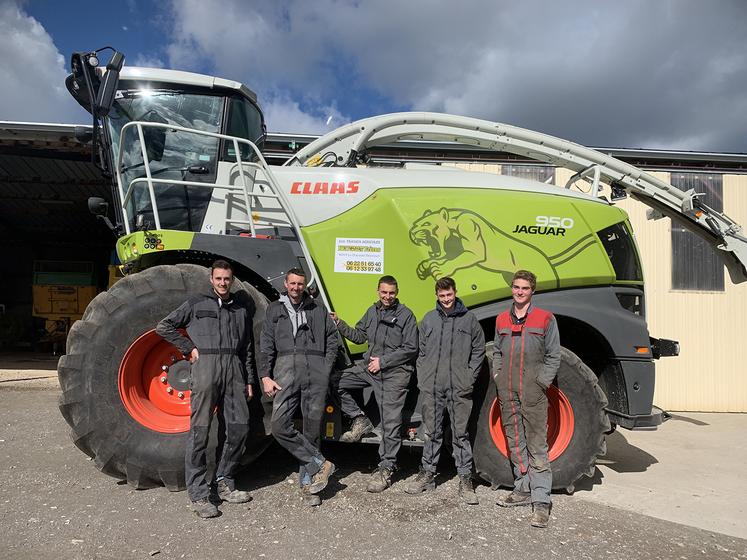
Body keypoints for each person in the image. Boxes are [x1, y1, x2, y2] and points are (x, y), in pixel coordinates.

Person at [156, 260, 255, 519]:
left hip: (234, 369)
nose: (223, 283)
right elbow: (164, 326)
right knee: (200, 431)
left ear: (232, 281)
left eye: (227, 279)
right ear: (211, 279)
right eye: (219, 278)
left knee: (240, 427)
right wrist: (189, 348)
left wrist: (249, 379)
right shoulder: (196, 304)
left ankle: (224, 480)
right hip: (206, 368)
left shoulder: (240, 309)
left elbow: (246, 349)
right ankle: (199, 493)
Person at [331, 275, 418, 493]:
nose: (387, 296)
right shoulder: (372, 312)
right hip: (371, 368)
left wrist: (383, 361)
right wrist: (339, 324)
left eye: (391, 293)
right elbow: (359, 336)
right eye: (384, 292)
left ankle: (386, 467)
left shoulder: (406, 315)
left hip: (395, 373)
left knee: (391, 422)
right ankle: (360, 420)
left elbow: (410, 349)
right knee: (334, 381)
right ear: (378, 291)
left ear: (396, 292)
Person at [259, 268, 338, 507]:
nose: (296, 287)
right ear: (286, 283)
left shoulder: (318, 309)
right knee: (279, 425)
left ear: (304, 285)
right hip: (285, 369)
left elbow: (332, 339)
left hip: (315, 371)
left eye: (300, 284)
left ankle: (309, 486)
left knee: (312, 430)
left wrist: (325, 368)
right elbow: (266, 344)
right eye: (292, 283)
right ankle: (319, 464)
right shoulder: (274, 309)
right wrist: (265, 375)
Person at [405, 277, 485, 504]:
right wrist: (424, 377)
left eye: (449, 295)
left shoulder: (469, 320)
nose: (446, 300)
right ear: (437, 296)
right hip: (433, 388)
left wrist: (469, 377)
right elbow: (420, 352)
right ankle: (427, 475)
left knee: (461, 434)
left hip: (459, 388)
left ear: (455, 293)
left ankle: (465, 479)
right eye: (442, 296)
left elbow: (479, 351)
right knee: (432, 432)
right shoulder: (429, 320)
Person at [492, 269, 561, 528]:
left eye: (525, 288)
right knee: (515, 439)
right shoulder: (501, 320)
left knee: (537, 444)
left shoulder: (545, 319)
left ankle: (541, 501)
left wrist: (542, 381)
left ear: (533, 291)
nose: (519, 292)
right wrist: (497, 375)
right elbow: (497, 351)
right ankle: (522, 489)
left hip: (533, 392)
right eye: (516, 287)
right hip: (507, 390)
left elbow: (554, 355)